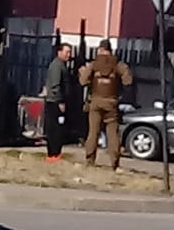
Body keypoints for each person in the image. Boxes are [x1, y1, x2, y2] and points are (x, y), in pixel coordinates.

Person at [79, 39, 134, 169]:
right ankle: (115, 163)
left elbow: (83, 81)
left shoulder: (94, 64)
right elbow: (128, 81)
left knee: (93, 132)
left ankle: (90, 161)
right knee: (113, 134)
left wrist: (82, 73)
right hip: (111, 102)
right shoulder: (118, 65)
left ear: (100, 49)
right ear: (110, 50)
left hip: (96, 102)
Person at [44, 43, 72, 162]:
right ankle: (53, 154)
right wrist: (60, 101)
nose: (69, 55)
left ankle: (56, 153)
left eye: (70, 52)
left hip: (57, 101)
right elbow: (56, 85)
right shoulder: (57, 66)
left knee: (58, 128)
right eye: (67, 52)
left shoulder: (62, 65)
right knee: (54, 129)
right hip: (54, 102)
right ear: (59, 52)